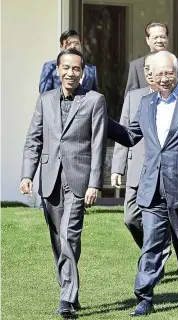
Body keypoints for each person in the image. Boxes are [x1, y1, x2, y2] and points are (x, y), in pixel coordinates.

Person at [108, 51, 178, 316]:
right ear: (151, 77)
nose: (165, 79)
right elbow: (131, 135)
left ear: (177, 72)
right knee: (152, 244)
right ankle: (144, 297)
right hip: (152, 185)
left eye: (169, 73)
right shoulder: (145, 103)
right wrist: (102, 120)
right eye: (159, 74)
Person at [21, 48, 107, 316]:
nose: (71, 73)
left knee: (70, 235)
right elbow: (33, 139)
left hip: (78, 179)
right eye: (66, 68)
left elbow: (98, 144)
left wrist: (95, 183)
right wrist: (27, 174)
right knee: (58, 240)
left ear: (83, 72)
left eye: (76, 69)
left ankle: (66, 298)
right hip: (49, 179)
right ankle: (70, 288)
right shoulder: (44, 100)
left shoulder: (95, 100)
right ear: (58, 70)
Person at [111, 53, 158, 248]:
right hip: (136, 167)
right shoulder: (133, 97)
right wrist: (117, 168)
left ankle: (154, 256)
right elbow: (124, 132)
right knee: (130, 218)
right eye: (145, 68)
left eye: (152, 67)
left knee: (157, 221)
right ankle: (153, 250)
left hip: (161, 170)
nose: (148, 72)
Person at [125, 22, 178, 94]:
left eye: (163, 37)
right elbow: (130, 97)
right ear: (147, 40)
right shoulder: (136, 65)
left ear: (167, 38)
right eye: (155, 37)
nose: (159, 41)